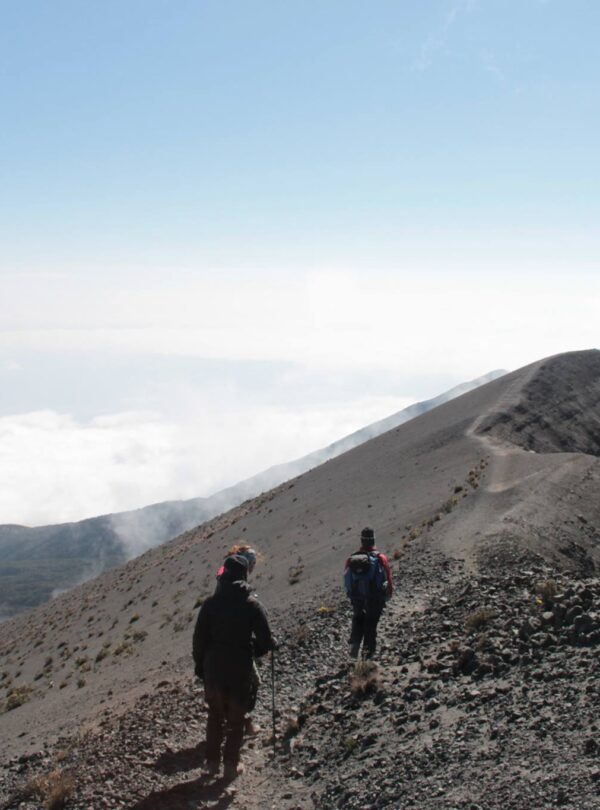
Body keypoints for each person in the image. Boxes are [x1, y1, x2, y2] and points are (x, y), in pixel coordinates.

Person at [193, 554, 275, 780]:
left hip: (214, 666)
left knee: (215, 715)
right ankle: (230, 765)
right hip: (240, 666)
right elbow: (265, 639)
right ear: (244, 575)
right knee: (236, 718)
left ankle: (211, 763)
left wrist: (200, 665)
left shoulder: (210, 604)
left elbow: (199, 638)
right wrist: (256, 651)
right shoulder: (251, 604)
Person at [344, 527, 393, 660]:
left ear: (361, 541)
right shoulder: (380, 558)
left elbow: (347, 578)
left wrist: (351, 595)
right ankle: (367, 656)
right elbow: (388, 577)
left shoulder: (352, 559)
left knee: (358, 618)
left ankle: (354, 644)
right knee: (371, 625)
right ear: (373, 541)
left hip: (357, 597)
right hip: (375, 597)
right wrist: (388, 593)